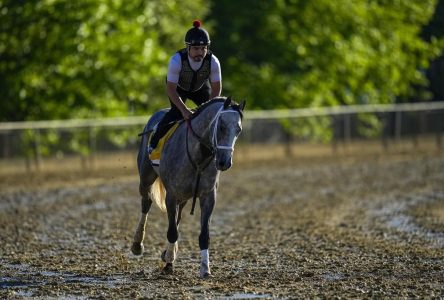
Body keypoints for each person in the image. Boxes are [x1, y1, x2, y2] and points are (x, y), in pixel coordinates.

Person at [148, 20, 222, 152]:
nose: (200, 52)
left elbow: (216, 89)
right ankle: (153, 141)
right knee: (176, 113)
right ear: (187, 48)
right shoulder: (176, 60)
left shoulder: (213, 62)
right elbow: (170, 89)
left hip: (199, 88)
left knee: (212, 113)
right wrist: (184, 110)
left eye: (203, 48)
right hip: (178, 89)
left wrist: (210, 108)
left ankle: (216, 147)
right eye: (195, 48)